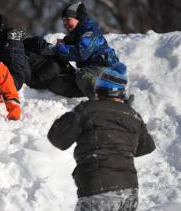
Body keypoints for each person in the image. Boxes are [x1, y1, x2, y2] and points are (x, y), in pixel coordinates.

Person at [47, 69, 155, 210]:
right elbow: (145, 147)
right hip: (130, 192)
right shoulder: (133, 115)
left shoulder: (87, 109)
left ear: (98, 89)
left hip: (99, 189)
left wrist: (70, 115)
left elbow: (58, 138)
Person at [53, 2, 127, 100]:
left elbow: (81, 53)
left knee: (82, 76)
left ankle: (109, 98)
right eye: (63, 21)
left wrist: (58, 49)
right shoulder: (79, 35)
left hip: (106, 70)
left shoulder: (90, 32)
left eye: (68, 19)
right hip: (94, 70)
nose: (65, 23)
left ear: (78, 18)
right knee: (61, 83)